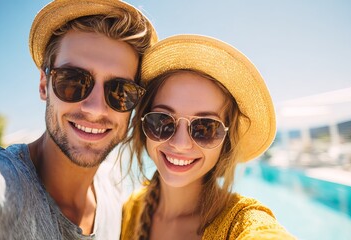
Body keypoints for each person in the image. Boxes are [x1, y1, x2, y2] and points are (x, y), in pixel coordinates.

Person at [0, 0, 156, 239]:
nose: (95, 109)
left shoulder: (114, 195)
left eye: (120, 91)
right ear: (43, 85)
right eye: (73, 81)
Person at [121, 34, 296, 240]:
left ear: (226, 141)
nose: (180, 144)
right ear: (144, 124)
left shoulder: (241, 223)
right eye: (162, 121)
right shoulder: (130, 209)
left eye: (206, 128)